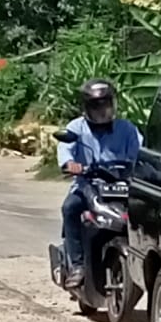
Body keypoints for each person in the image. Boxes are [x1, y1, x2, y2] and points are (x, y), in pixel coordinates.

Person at [57, 79, 142, 288]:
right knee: (70, 208)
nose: (102, 111)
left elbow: (140, 153)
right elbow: (65, 152)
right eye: (97, 106)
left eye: (106, 104)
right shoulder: (76, 128)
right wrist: (71, 164)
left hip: (122, 185)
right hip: (88, 185)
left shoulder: (127, 129)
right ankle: (77, 265)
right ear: (86, 107)